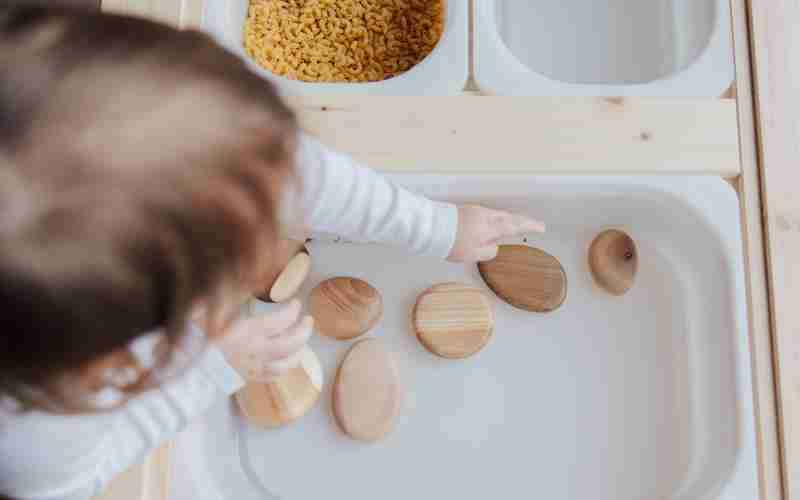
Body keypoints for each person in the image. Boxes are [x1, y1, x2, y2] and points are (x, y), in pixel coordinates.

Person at [0, 5, 545, 500]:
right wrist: (211, 368)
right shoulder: (37, 434)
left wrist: (436, 227)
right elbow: (74, 481)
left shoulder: (157, 135)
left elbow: (290, 174)